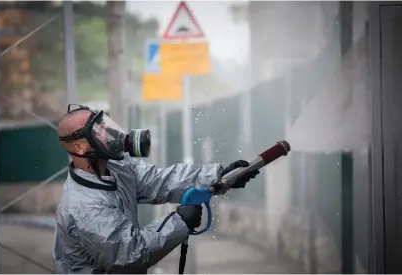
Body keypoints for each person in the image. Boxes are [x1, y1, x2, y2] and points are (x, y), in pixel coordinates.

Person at [52, 104, 260, 274]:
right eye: (98, 131)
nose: (108, 133)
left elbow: (160, 181)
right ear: (79, 147)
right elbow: (128, 255)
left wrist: (219, 176)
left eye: (103, 124)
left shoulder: (117, 167)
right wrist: (179, 222)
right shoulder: (83, 205)